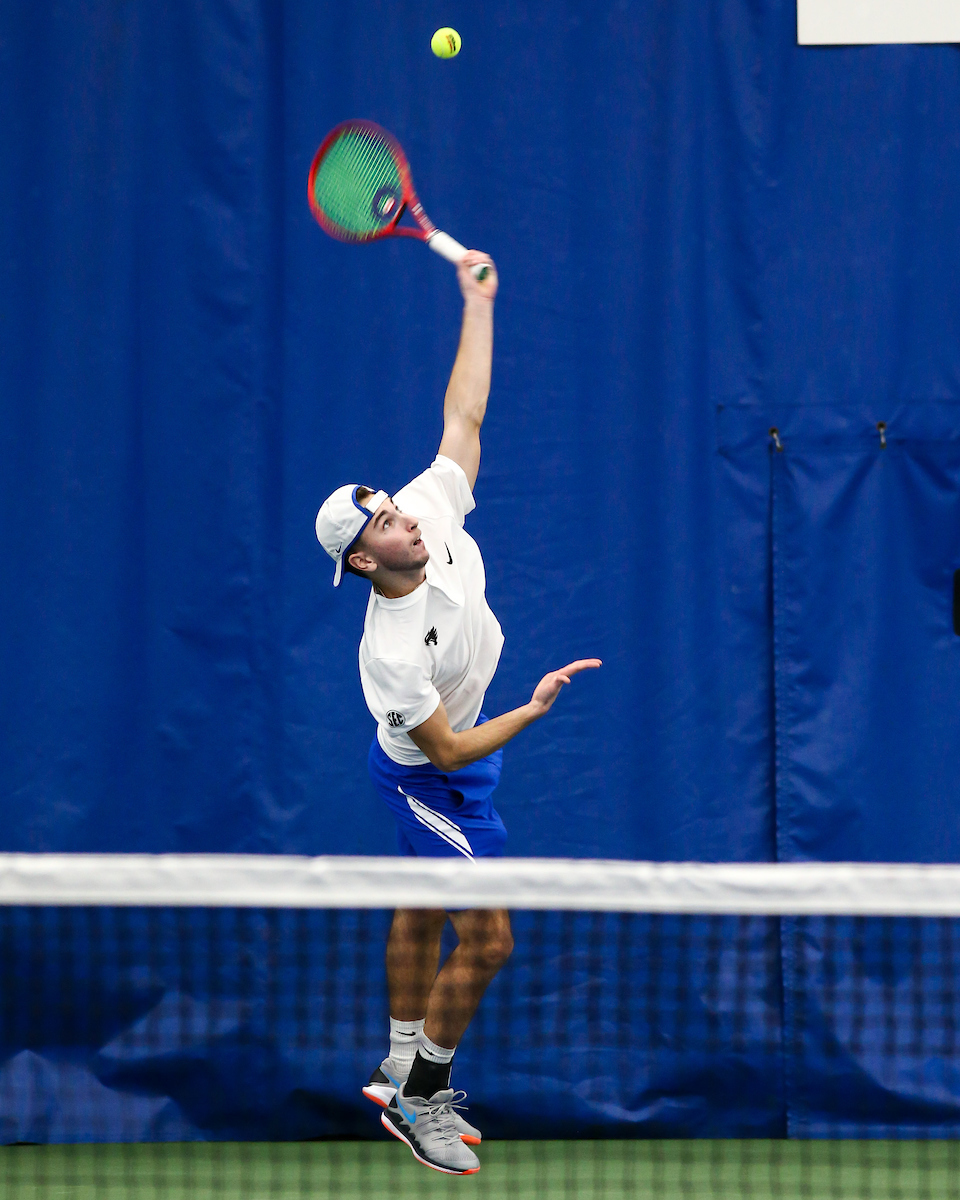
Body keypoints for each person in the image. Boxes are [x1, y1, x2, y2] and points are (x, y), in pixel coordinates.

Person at [314, 250, 601, 1175]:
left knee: (420, 906)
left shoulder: (430, 510)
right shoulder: (392, 653)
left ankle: (400, 1059)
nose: (406, 515)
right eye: (385, 523)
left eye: (395, 504)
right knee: (488, 935)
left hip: (452, 757)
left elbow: (464, 414)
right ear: (365, 561)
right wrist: (534, 708)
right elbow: (450, 746)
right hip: (434, 774)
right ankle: (423, 1095)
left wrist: (475, 304)